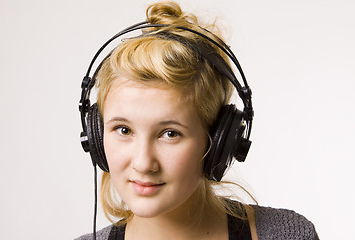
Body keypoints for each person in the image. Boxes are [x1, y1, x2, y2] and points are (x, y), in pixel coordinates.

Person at [77, 1, 319, 239]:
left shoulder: (289, 235)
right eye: (123, 130)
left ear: (217, 141)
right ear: (96, 137)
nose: (143, 163)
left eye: (170, 133)